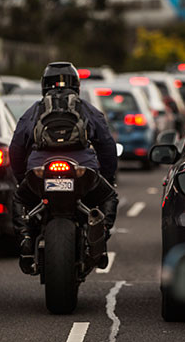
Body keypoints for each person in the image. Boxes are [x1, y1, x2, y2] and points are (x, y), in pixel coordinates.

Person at [9, 62, 119, 274]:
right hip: (82, 170)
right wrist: (107, 176)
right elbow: (106, 145)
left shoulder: (35, 110)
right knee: (109, 196)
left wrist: (22, 178)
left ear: (44, 85)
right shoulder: (86, 108)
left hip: (40, 170)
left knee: (20, 198)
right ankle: (101, 238)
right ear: (76, 85)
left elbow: (16, 148)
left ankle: (25, 239)